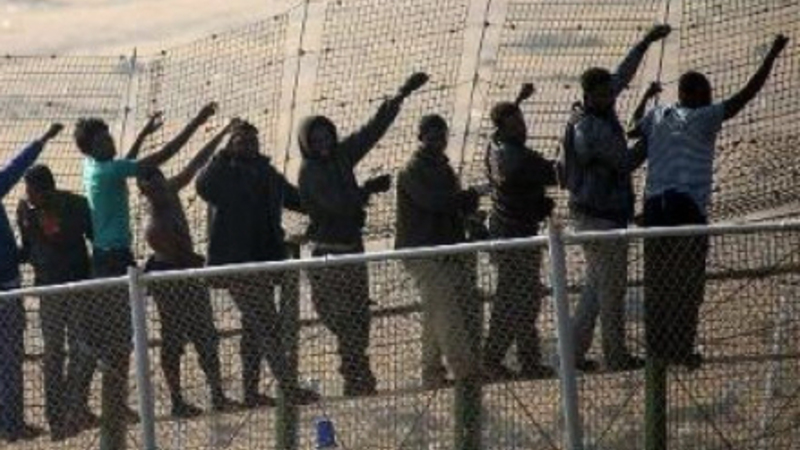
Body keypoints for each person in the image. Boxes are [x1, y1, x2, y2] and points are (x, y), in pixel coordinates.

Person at [633, 34, 789, 369]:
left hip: (654, 209)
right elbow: (745, 95)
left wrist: (646, 97)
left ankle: (657, 349)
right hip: (686, 207)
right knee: (688, 282)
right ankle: (680, 349)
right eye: (705, 94)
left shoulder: (658, 115)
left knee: (657, 283)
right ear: (692, 94)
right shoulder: (703, 117)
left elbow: (633, 128)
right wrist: (772, 56)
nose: (710, 99)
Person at [75, 102, 216, 450]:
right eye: (103, 141)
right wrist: (198, 120)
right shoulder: (108, 172)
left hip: (109, 258)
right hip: (113, 260)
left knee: (117, 338)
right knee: (119, 340)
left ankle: (111, 403)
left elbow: (128, 162)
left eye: (109, 137)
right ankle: (108, 405)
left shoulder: (93, 167)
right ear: (91, 148)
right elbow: (161, 157)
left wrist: (141, 134)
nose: (110, 143)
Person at [297, 72, 429, 396]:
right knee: (344, 319)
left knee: (359, 316)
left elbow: (371, 131)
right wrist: (367, 190)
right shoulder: (310, 172)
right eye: (316, 140)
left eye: (327, 137)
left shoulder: (341, 156)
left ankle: (359, 376)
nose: (323, 144)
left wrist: (400, 95)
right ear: (307, 144)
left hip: (352, 249)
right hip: (329, 255)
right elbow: (337, 206)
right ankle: (356, 377)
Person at [560, 24, 671, 372]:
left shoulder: (594, 110)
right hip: (601, 217)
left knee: (595, 288)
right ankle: (616, 356)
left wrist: (644, 43)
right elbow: (625, 163)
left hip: (592, 214)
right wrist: (653, 138)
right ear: (589, 95)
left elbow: (622, 75)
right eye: (605, 94)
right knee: (612, 289)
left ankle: (573, 354)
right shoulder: (591, 128)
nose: (611, 97)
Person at [196, 120, 319, 407]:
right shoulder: (223, 174)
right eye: (241, 142)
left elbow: (296, 199)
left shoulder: (266, 173)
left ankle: (251, 392)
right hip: (237, 265)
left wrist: (331, 205)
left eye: (252, 141)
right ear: (231, 145)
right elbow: (202, 185)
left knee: (253, 329)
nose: (249, 146)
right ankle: (288, 387)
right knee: (267, 323)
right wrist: (222, 154)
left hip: (263, 261)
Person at [137, 120, 239, 418]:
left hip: (187, 272)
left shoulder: (170, 191)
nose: (157, 186)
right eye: (150, 184)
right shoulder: (154, 219)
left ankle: (217, 394)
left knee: (205, 335)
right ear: (144, 190)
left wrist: (220, 133)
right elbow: (179, 253)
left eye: (159, 180)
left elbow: (196, 162)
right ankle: (177, 400)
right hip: (169, 277)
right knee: (173, 340)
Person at [396, 114, 482, 389]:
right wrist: (464, 199)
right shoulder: (411, 170)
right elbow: (433, 202)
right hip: (421, 252)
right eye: (431, 136)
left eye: (440, 136)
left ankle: (431, 373)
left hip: (444, 249)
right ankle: (465, 370)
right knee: (447, 311)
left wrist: (468, 209)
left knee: (437, 311)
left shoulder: (444, 169)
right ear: (420, 138)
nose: (436, 141)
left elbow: (450, 206)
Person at [17, 164, 97, 440]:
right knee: (53, 354)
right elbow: (28, 249)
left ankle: (74, 408)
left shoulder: (76, 205)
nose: (27, 195)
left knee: (80, 349)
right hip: (49, 289)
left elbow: (88, 237)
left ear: (46, 190)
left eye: (31, 190)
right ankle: (56, 417)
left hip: (76, 287)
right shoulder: (27, 212)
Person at [483, 85, 557, 380]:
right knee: (517, 300)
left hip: (508, 232)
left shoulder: (495, 146)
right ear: (504, 129)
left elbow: (500, 127)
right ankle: (498, 359)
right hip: (516, 237)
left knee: (520, 298)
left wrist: (517, 100)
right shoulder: (518, 158)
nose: (522, 129)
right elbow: (552, 173)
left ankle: (523, 360)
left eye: (522, 122)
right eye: (516, 125)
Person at [0, 123, 61, 442]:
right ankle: (12, 424)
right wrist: (42, 140)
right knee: (10, 358)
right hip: (7, 288)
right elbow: (15, 167)